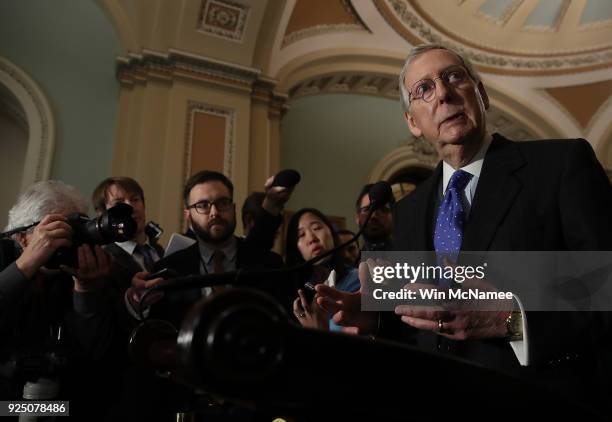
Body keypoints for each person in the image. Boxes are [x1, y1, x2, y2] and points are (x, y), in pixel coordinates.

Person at [316, 43, 612, 412]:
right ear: (413, 121)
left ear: (481, 94)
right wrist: (375, 320)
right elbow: (422, 321)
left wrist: (512, 320)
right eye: (423, 89)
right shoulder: (408, 210)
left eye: (454, 76)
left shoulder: (561, 165)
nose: (442, 92)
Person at [0, 180, 115, 419]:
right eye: (59, 229)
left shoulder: (70, 273)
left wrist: (85, 291)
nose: (71, 241)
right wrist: (26, 264)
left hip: (58, 405)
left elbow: (91, 356)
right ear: (23, 237)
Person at [286, 208, 359, 330]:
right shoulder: (297, 293)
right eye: (301, 235)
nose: (311, 238)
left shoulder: (357, 278)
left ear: (331, 231)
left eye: (316, 228)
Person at [354, 184, 394, 251]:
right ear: (357, 217)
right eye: (367, 209)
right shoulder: (354, 259)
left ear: (392, 216)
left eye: (382, 209)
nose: (373, 215)